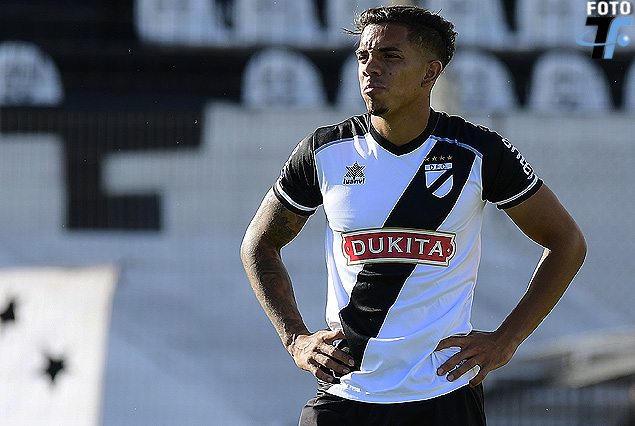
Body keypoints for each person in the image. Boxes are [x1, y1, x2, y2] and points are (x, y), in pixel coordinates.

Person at [241, 5, 586, 426]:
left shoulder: (477, 152)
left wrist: (506, 340)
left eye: (390, 56)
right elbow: (259, 244)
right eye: (364, 55)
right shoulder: (324, 151)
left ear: (430, 72)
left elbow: (567, 242)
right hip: (346, 393)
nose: (371, 68)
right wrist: (295, 338)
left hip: (444, 394)